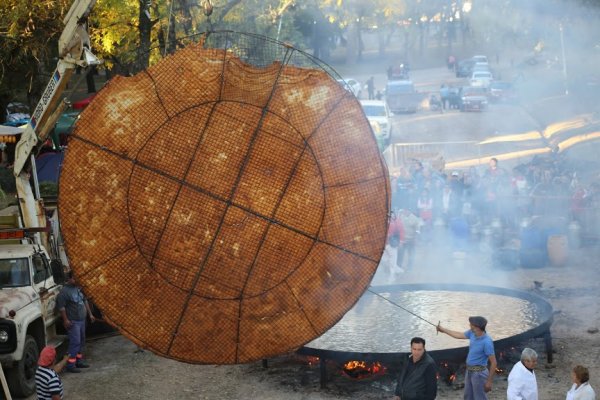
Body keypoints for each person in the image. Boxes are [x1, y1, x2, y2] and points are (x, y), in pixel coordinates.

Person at [436, 316, 497, 400]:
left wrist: (489, 381)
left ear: (477, 327)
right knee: (468, 397)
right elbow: (458, 335)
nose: (469, 325)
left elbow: (494, 362)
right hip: (469, 371)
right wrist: (443, 330)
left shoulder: (487, 342)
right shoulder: (472, 333)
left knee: (480, 398)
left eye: (471, 324)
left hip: (479, 374)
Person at [56, 271, 96, 372]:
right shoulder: (64, 292)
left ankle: (78, 361)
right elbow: (61, 308)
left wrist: (90, 314)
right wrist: (65, 320)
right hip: (73, 322)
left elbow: (84, 301)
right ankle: (70, 365)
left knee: (81, 341)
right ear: (69, 279)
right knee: (75, 342)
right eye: (74, 278)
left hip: (82, 320)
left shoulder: (78, 289)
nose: (77, 280)